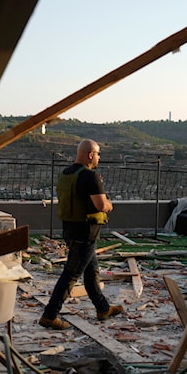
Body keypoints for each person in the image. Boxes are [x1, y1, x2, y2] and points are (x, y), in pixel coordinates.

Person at [39, 139, 124, 330]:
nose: (99, 158)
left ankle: (103, 308)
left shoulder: (66, 174)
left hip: (71, 229)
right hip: (85, 233)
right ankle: (49, 315)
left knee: (91, 271)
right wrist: (110, 205)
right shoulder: (89, 176)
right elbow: (101, 205)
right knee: (71, 274)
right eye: (98, 154)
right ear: (90, 154)